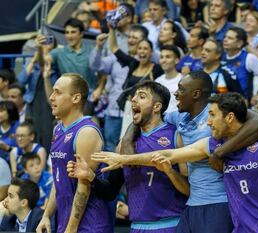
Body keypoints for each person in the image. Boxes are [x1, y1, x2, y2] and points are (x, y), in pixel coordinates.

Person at [93, 92, 258, 232]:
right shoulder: (211, 144)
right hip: (242, 228)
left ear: (230, 117)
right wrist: (124, 158)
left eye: (212, 115)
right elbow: (168, 155)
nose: (209, 121)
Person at [69, 81, 189, 232]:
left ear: (157, 107)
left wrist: (170, 172)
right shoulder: (124, 146)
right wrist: (90, 176)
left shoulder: (174, 136)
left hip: (171, 224)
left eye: (142, 96)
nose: (133, 99)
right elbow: (111, 191)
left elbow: (188, 189)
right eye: (134, 96)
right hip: (137, 227)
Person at [36, 73, 113, 233]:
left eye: (58, 92)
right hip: (65, 221)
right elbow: (58, 177)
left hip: (90, 224)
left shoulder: (86, 132)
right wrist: (46, 215)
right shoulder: (58, 129)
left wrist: (71, 229)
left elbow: (84, 186)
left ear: (76, 98)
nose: (51, 97)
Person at [89, 24, 148, 152]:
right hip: (114, 111)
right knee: (110, 147)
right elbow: (96, 66)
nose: (131, 40)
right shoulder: (118, 57)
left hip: (136, 113)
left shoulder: (147, 60)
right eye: (130, 37)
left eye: (135, 38)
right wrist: (98, 47)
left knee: (134, 148)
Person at [222, 27, 258, 105]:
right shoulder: (219, 56)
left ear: (239, 43)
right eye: (225, 37)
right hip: (222, 102)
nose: (225, 40)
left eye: (230, 38)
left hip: (242, 104)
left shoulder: (249, 58)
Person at [156, 45, 182, 114]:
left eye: (168, 57)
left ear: (177, 60)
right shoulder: (157, 81)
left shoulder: (183, 80)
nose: (163, 60)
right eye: (161, 57)